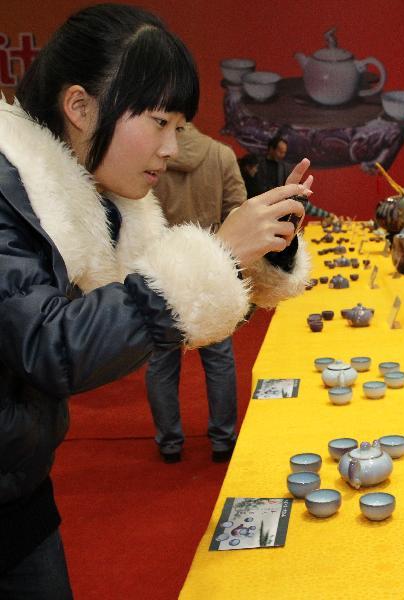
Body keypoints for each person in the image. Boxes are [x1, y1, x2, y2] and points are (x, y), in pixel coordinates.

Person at [0, 5, 314, 596]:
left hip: (22, 491)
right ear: (80, 107)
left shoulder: (106, 206)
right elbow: (54, 345)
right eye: (159, 122)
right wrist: (218, 250)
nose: (171, 148)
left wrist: (262, 250)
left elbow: (166, 298)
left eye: (179, 126)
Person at [147, 123, 245, 464]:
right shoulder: (220, 154)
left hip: (160, 274)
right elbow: (239, 210)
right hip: (212, 271)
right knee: (218, 359)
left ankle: (169, 442)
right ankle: (223, 439)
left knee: (162, 361)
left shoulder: (147, 158)